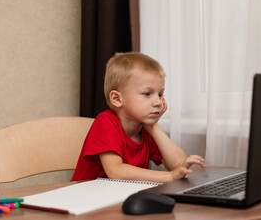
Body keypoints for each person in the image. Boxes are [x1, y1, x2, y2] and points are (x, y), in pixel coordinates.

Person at [71, 52, 205, 183]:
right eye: (147, 94)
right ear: (117, 99)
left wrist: (153, 127)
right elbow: (115, 171)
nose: (158, 102)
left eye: (160, 94)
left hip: (119, 198)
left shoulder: (145, 128)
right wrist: (168, 177)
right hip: (86, 200)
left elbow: (178, 166)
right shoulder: (106, 122)